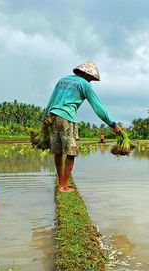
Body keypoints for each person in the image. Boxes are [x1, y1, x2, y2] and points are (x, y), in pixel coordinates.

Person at [44, 61, 122, 192]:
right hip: (67, 118)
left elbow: (51, 100)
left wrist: (45, 120)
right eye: (91, 79)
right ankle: (63, 186)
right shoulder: (85, 84)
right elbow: (98, 107)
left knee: (58, 153)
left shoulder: (62, 80)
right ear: (87, 75)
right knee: (71, 153)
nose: (91, 82)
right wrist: (112, 124)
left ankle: (61, 182)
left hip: (52, 116)